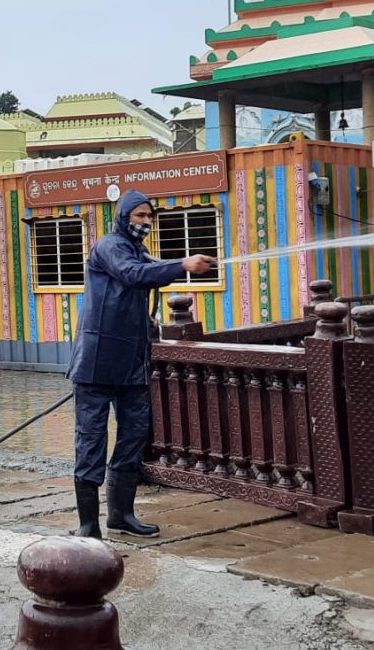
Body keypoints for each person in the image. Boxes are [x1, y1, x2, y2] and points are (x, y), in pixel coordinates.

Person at [67, 189, 217, 538]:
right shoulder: (110, 247)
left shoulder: (139, 251)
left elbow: (141, 277)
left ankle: (121, 515)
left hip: (132, 363)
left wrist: (144, 318)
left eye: (150, 217)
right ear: (123, 216)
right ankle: (88, 526)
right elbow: (133, 274)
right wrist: (182, 265)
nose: (146, 222)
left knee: (134, 436)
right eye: (140, 216)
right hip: (96, 364)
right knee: (91, 441)